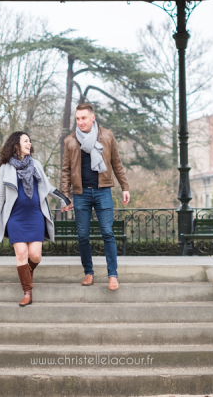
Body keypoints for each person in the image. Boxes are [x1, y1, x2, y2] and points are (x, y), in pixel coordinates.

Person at [0, 131, 71, 306]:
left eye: (30, 141)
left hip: (35, 216)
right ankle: (27, 292)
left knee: (35, 256)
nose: (29, 143)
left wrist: (65, 199)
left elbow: (47, 187)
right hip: (15, 218)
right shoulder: (6, 168)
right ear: (16, 145)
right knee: (21, 254)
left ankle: (25, 273)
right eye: (25, 141)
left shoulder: (36, 164)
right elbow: (0, 196)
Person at [61, 103, 129, 291]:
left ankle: (112, 275)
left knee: (107, 232)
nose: (80, 122)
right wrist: (65, 196)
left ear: (93, 118)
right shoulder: (70, 141)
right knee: (83, 236)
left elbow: (116, 162)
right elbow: (65, 170)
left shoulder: (107, 135)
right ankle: (88, 273)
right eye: (77, 119)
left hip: (103, 190)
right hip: (80, 194)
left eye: (83, 118)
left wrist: (125, 186)